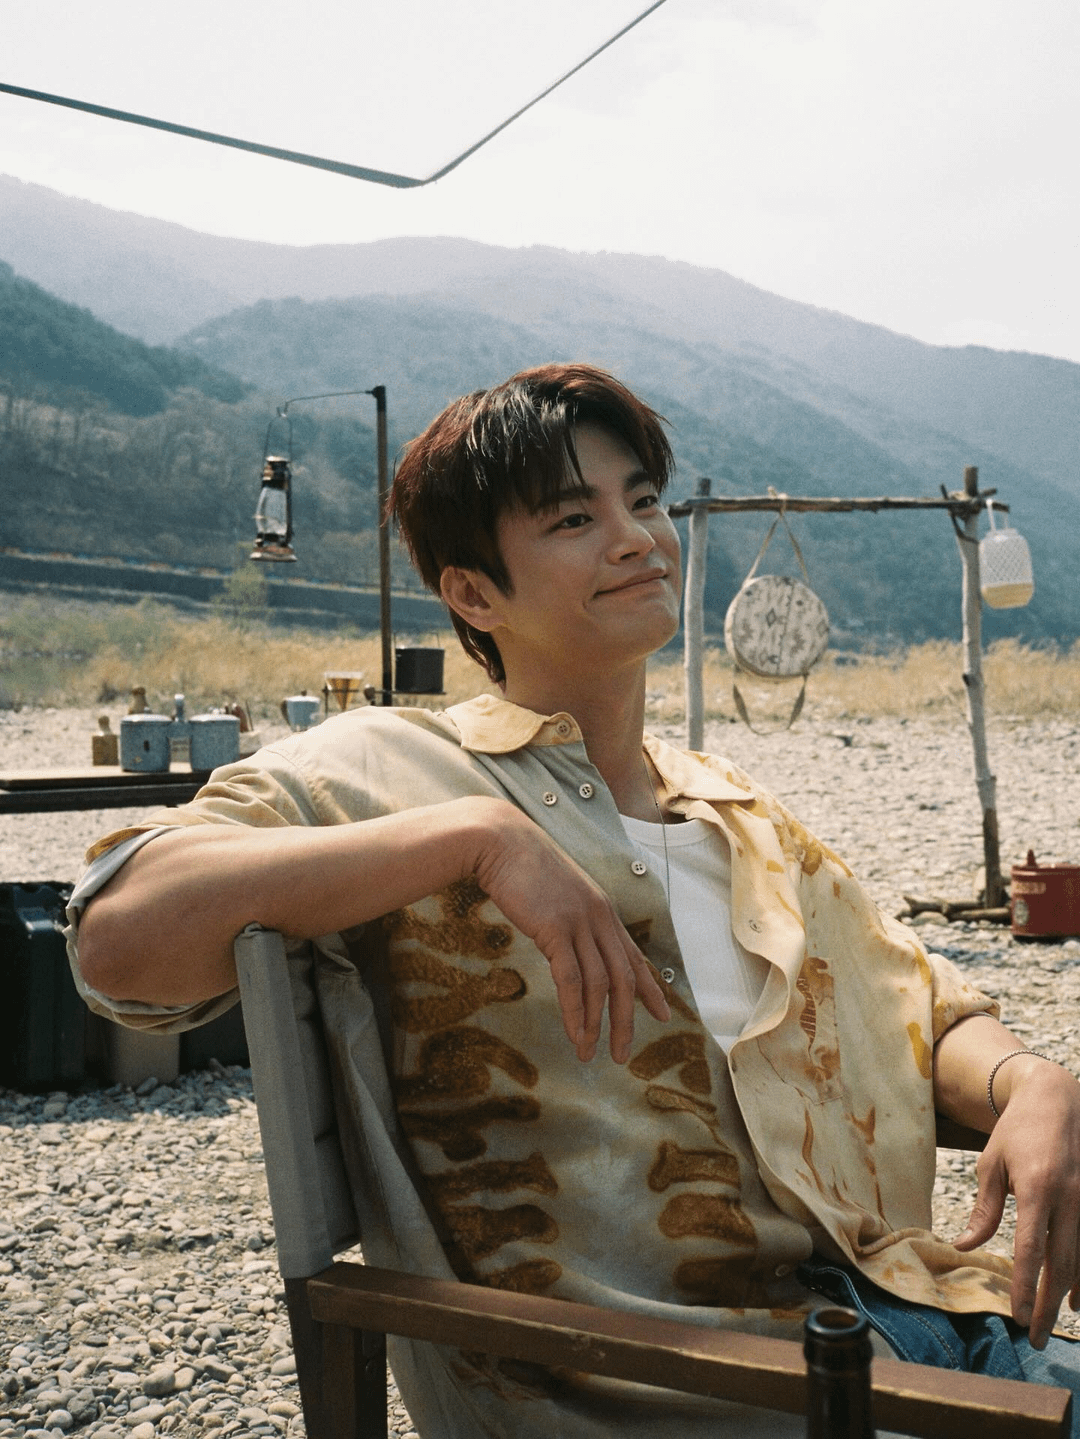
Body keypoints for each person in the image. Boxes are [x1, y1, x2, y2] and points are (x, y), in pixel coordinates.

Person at [69, 364, 1080, 1437]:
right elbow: (115, 935)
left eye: (642, 500)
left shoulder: (732, 808)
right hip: (679, 1386)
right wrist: (473, 838)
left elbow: (910, 1002)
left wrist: (1028, 1080)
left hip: (916, 1310)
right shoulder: (389, 768)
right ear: (474, 594)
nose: (636, 537)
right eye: (573, 517)